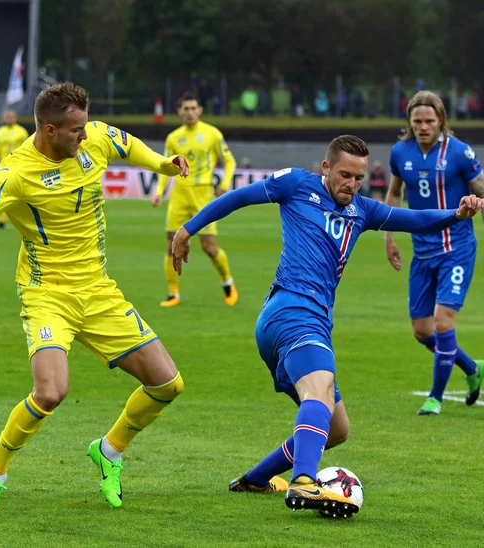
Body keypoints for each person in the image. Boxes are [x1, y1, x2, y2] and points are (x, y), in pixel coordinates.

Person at [171, 135, 484, 517]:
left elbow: (414, 220)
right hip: (291, 312)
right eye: (344, 175)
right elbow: (238, 197)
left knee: (336, 430)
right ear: (325, 168)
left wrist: (458, 214)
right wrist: (188, 229)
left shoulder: (365, 211)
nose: (351, 184)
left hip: (305, 321)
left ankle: (254, 479)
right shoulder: (295, 184)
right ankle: (304, 481)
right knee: (318, 393)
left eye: (359, 177)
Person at [0, 82, 189, 522]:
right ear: (49, 129)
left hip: (99, 291)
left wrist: (166, 165)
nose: (85, 136)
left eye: (85, 127)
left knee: (168, 384)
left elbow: (132, 149)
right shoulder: (15, 174)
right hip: (47, 294)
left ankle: (109, 451)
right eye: (74, 131)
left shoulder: (95, 139)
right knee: (51, 392)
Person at [385, 90, 484, 416]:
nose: (423, 127)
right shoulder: (400, 152)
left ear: (441, 121)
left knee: (442, 323)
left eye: (429, 121)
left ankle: (435, 398)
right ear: (410, 123)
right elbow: (394, 193)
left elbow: (482, 191)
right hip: (422, 252)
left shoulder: (460, 153)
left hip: (456, 247)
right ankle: (472, 369)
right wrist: (389, 237)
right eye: (417, 121)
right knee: (422, 331)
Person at [152, 91, 238, 307]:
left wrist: (225, 184)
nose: (189, 112)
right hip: (179, 196)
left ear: (200, 110)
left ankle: (228, 283)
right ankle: (173, 294)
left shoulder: (212, 134)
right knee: (172, 244)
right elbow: (165, 167)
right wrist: (159, 190)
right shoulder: (173, 138)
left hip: (203, 196)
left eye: (193, 108)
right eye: (185, 109)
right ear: (180, 112)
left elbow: (230, 161)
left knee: (209, 247)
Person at [0, 109, 30, 229]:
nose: (10, 119)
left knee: (19, 194)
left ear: (15, 118)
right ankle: (2, 220)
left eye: (12, 117)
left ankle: (14, 218)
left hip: (19, 166)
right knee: (3, 192)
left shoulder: (21, 132)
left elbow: (28, 148)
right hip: (4, 166)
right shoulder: (0, 132)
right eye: (8, 117)